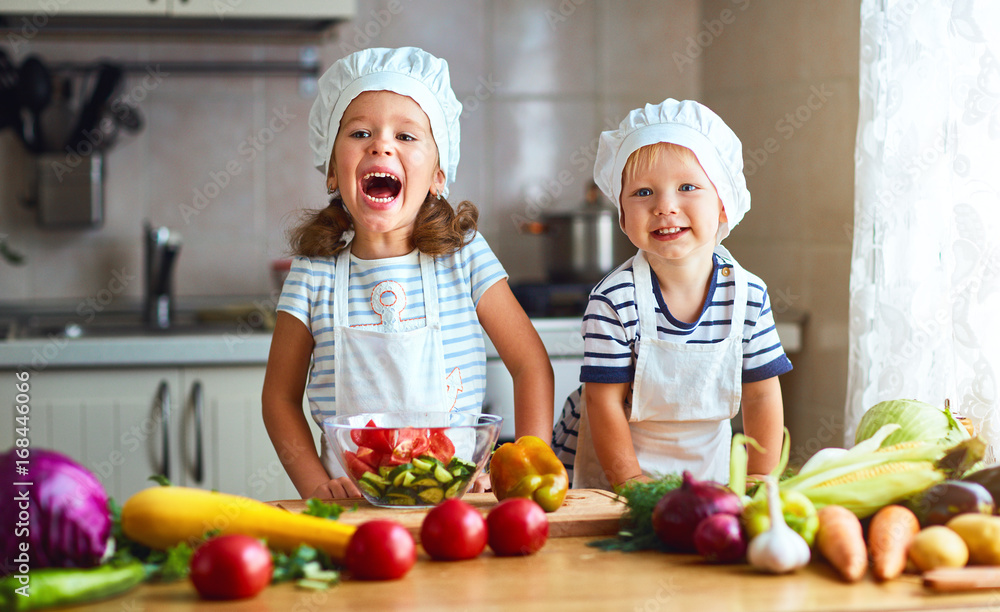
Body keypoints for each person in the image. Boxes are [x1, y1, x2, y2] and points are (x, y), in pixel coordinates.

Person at [263, 47, 554, 499]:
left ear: (439, 175)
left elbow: (530, 364)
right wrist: (316, 486)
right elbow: (279, 399)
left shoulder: (465, 258)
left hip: (458, 500)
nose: (381, 145)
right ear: (332, 172)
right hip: (354, 510)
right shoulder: (313, 275)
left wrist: (520, 471)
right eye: (360, 133)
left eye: (407, 136)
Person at [552, 99, 792, 491]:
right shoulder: (613, 301)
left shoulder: (748, 296)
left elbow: (762, 396)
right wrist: (632, 484)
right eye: (643, 192)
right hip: (611, 477)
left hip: (705, 472)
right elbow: (603, 403)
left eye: (687, 187)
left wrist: (758, 483)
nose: (665, 206)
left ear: (723, 204)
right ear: (622, 216)